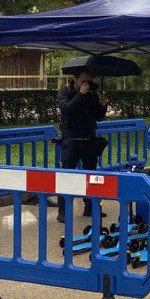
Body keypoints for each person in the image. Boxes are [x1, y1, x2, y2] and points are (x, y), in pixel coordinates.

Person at [56, 69, 108, 223]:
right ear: (76, 80)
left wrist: (102, 105)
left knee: (92, 176)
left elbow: (97, 116)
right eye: (83, 81)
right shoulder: (65, 91)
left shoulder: (91, 93)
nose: (86, 84)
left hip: (89, 139)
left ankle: (91, 207)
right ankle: (63, 210)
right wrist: (80, 94)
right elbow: (67, 110)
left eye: (88, 81)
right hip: (71, 139)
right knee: (66, 175)